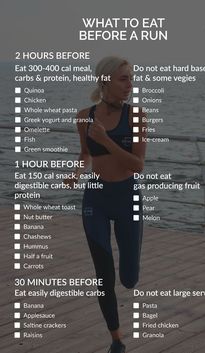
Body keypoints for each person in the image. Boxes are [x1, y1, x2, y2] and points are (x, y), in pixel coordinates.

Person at [66, 56, 147, 353]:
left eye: (131, 78)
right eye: (123, 78)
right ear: (105, 81)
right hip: (96, 198)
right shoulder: (84, 116)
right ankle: (116, 340)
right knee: (104, 275)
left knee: (128, 278)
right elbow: (86, 153)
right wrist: (76, 173)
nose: (130, 84)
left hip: (127, 198)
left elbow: (138, 165)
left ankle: (131, 268)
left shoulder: (137, 116)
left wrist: (108, 140)